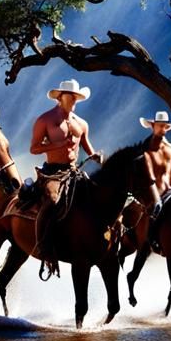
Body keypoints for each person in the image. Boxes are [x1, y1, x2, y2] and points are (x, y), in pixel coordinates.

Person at [29, 78, 101, 279]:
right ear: (60, 97)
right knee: (52, 200)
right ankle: (43, 246)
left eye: (77, 97)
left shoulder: (81, 123)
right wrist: (58, 146)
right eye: (72, 96)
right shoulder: (45, 120)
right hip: (52, 171)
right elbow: (34, 148)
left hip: (73, 170)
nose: (75, 100)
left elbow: (86, 144)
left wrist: (94, 155)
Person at [138, 110, 171, 248]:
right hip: (147, 191)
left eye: (164, 126)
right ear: (153, 126)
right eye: (159, 125)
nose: (162, 128)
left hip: (167, 191)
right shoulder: (144, 147)